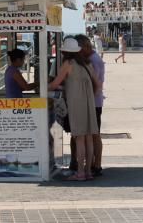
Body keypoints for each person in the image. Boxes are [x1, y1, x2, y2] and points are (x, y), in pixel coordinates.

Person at [48, 38, 100, 181]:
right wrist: (89, 94)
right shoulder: (87, 64)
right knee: (89, 137)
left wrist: (42, 88)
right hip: (89, 102)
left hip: (76, 103)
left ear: (65, 51)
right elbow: (98, 84)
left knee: (79, 138)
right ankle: (88, 172)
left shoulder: (68, 64)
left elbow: (55, 84)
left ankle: (80, 173)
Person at [71, 34, 105, 176]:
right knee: (90, 135)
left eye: (78, 48)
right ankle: (88, 165)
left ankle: (95, 165)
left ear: (84, 47)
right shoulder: (91, 59)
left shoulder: (93, 61)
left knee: (94, 135)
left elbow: (95, 84)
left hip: (93, 102)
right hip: (93, 101)